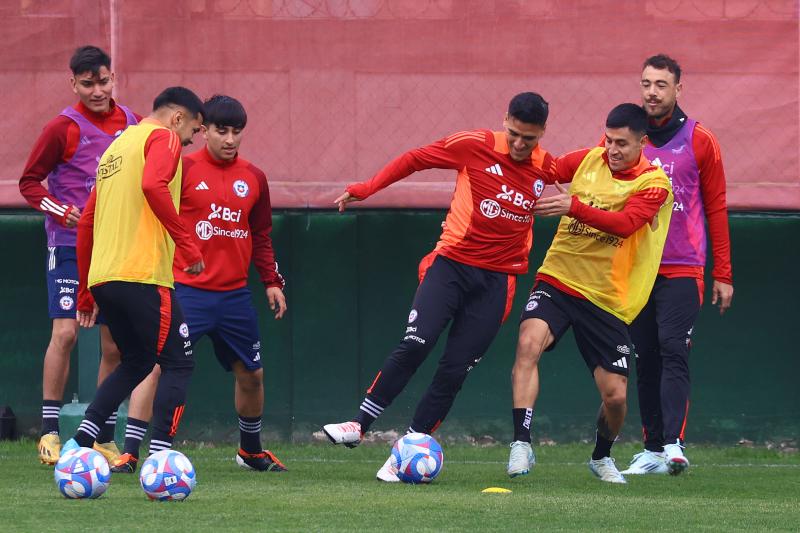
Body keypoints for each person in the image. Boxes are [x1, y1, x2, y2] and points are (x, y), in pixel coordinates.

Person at [323, 92, 556, 482]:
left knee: (455, 369)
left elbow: (595, 167)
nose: (518, 145)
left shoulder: (547, 166)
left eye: (528, 139)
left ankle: (411, 448)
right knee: (417, 341)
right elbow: (416, 158)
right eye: (514, 134)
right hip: (451, 265)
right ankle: (360, 424)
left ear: (543, 133)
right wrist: (367, 187)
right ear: (505, 120)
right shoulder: (475, 145)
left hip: (498, 282)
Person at [110, 95, 288, 474]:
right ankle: (132, 452)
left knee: (252, 374)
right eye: (221, 131)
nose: (229, 139)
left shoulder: (254, 177)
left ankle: (250, 451)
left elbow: (261, 234)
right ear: (203, 130)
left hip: (235, 295)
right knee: (156, 367)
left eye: (237, 132)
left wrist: (271, 281)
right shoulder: (183, 167)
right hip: (185, 290)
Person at [507, 103, 673, 484]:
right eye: (609, 140)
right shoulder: (587, 159)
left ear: (642, 142)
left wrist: (574, 206)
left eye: (622, 144)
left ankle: (601, 456)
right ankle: (521, 442)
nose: (612, 149)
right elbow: (541, 168)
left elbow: (626, 225)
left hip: (606, 298)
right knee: (528, 343)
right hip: (558, 279)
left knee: (615, 397)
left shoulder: (654, 184)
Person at [61, 87, 205, 460]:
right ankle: (160, 458)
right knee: (179, 361)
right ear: (177, 118)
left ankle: (78, 444)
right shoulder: (165, 137)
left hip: (106, 277)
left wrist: (86, 290)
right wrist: (188, 245)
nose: (193, 139)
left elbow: (87, 222)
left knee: (137, 362)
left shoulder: (116, 148)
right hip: (143, 275)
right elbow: (152, 185)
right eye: (196, 128)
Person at [18, 45, 140, 465]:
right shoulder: (62, 128)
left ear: (114, 79)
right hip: (69, 247)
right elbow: (30, 183)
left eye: (103, 81)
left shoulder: (134, 124)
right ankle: (50, 432)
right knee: (66, 334)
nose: (97, 91)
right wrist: (61, 211)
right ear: (73, 84)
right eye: (87, 84)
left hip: (114, 248)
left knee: (115, 346)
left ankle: (103, 436)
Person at [621, 54, 733, 476]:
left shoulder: (700, 139)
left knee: (673, 349)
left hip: (683, 266)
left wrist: (723, 273)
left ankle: (673, 444)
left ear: (678, 89)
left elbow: (717, 208)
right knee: (645, 355)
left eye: (661, 84)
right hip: (636, 266)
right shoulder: (626, 137)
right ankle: (650, 450)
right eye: (646, 83)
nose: (652, 91)